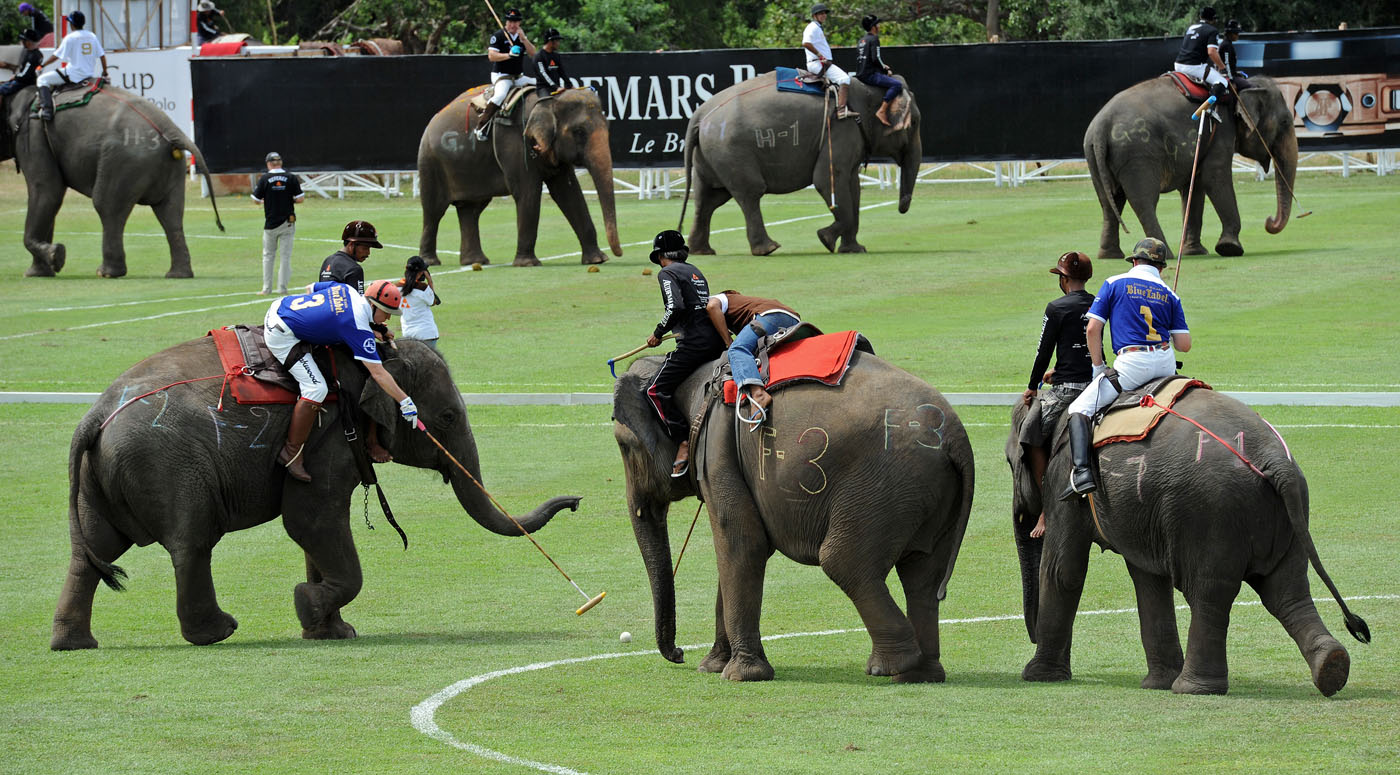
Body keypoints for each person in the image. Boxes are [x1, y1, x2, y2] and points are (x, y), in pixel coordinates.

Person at [1061, 238, 1191, 499]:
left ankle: (1082, 472)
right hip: (1165, 364)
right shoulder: (1170, 293)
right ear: (1162, 267)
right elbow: (1184, 345)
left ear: (1134, 261)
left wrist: (1098, 367)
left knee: (1079, 409)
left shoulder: (1114, 283)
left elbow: (1092, 329)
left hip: (1132, 364)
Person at [263, 279, 419, 482]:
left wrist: (371, 329)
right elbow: (378, 373)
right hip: (280, 334)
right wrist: (405, 401)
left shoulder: (348, 290)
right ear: (372, 305)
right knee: (316, 388)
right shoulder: (356, 326)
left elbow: (310, 288)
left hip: (279, 306)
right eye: (386, 312)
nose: (388, 317)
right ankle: (291, 452)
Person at [1018, 251, 1095, 536]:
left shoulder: (1056, 308)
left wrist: (1033, 385)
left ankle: (1046, 508)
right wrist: (1058, 370)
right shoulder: (1100, 302)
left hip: (1068, 391)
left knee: (1030, 432)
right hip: (1098, 384)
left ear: (1063, 280)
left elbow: (1044, 351)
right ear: (1086, 278)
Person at [643, 230, 726, 477]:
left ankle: (682, 440)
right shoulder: (695, 271)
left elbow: (675, 306)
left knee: (654, 390)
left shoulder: (666, 273)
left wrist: (658, 333)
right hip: (714, 341)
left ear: (659, 256)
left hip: (694, 344)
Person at [705, 290, 800, 424]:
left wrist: (729, 342)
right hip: (793, 318)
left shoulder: (715, 299)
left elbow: (711, 306)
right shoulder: (740, 305)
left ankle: (758, 395)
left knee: (737, 350)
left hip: (770, 315)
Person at [475, 8, 537, 141]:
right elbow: (491, 56)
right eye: (510, 21)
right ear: (506, 22)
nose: (512, 24)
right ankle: (481, 126)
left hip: (518, 76)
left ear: (519, 23)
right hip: (501, 75)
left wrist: (524, 39)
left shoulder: (520, 37)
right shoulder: (498, 35)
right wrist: (508, 55)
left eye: (515, 22)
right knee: (501, 95)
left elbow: (533, 55)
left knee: (539, 84)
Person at [35, 10, 106, 122]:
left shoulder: (70, 37)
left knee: (42, 80)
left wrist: (42, 65)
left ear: (71, 24)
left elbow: (56, 56)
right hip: (88, 74)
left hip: (73, 74)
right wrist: (105, 72)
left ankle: (47, 110)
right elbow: (102, 56)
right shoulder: (92, 36)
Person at [251, 151, 305, 296]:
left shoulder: (265, 178)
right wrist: (288, 199)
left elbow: (255, 199)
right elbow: (300, 199)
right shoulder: (291, 177)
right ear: (280, 163)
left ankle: (266, 288)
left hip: (270, 223)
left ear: (268, 164)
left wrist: (266, 200)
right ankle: (283, 288)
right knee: (285, 256)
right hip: (288, 222)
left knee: (268, 256)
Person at [802, 3, 853, 120]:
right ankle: (841, 110)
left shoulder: (817, 27)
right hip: (817, 63)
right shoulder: (812, 27)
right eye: (821, 13)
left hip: (819, 63)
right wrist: (820, 55)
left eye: (825, 13)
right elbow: (805, 43)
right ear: (814, 15)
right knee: (844, 79)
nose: (824, 15)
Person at [1173, 7, 1229, 108]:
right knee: (1222, 82)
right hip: (1193, 67)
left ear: (1200, 16)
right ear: (1213, 19)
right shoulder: (1212, 30)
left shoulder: (1191, 27)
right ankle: (1209, 109)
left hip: (1178, 64)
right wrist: (1222, 67)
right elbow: (1211, 52)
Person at [855, 14, 902, 127]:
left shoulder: (862, 40)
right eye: (877, 24)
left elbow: (867, 59)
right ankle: (882, 111)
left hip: (860, 74)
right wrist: (885, 70)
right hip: (869, 75)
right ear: (873, 27)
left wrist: (882, 67)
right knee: (897, 85)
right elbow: (876, 58)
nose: (879, 26)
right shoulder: (874, 39)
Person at [318, 220, 382, 296]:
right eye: (365, 248)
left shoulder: (328, 260)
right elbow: (358, 303)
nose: (368, 253)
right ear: (351, 245)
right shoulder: (354, 269)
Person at [397, 255, 442, 350]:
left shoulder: (396, 287)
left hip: (407, 335)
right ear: (422, 273)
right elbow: (433, 301)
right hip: (427, 334)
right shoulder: (423, 288)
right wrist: (430, 281)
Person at [0, 28, 43, 97]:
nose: (21, 42)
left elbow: (25, 74)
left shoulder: (32, 56)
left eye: (23, 41)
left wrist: (15, 77)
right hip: (28, 80)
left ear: (28, 42)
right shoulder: (36, 53)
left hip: (23, 82)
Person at [533, 28, 567, 98]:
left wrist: (570, 85)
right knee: (547, 103)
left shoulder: (556, 55)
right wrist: (556, 87)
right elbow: (543, 74)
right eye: (557, 41)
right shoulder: (539, 56)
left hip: (557, 88)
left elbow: (562, 72)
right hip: (543, 89)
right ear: (550, 41)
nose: (558, 43)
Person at [1219, 19, 1245, 86]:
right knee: (1250, 86)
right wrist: (1231, 81)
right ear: (1229, 33)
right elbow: (1227, 64)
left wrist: (1236, 73)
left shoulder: (1228, 44)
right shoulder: (1226, 45)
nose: (1237, 35)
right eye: (1236, 33)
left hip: (1232, 75)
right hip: (1229, 77)